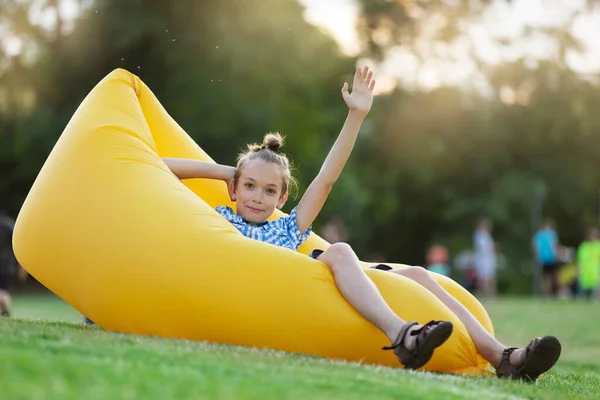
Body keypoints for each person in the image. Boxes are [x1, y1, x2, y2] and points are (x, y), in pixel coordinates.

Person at [163, 66, 561, 381]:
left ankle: (504, 357)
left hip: (315, 288)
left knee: (420, 274)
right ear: (234, 189)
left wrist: (356, 115)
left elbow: (326, 178)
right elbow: (156, 171)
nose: (257, 197)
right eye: (249, 186)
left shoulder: (288, 227)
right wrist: (228, 173)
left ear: (282, 199)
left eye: (269, 191)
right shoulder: (220, 219)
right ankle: (401, 335)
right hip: (272, 295)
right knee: (338, 250)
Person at [0, 212, 28, 317]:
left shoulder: (7, 225)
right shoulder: (9, 224)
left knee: (2, 293)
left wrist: (22, 267)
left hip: (6, 268)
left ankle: (6, 315)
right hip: (8, 268)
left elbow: (20, 244)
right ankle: (6, 315)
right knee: (3, 293)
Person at [532, 218, 560, 296]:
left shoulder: (540, 234)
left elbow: (535, 247)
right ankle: (547, 293)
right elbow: (555, 246)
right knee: (548, 277)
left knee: (546, 277)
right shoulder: (550, 234)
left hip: (546, 258)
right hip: (548, 258)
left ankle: (548, 293)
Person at [473, 218, 497, 297]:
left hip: (488, 259)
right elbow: (483, 248)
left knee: (489, 278)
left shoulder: (487, 236)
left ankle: (489, 293)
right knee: (483, 278)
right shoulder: (479, 236)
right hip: (483, 260)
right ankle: (484, 293)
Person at [576, 227, 600, 299]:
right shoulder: (583, 247)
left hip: (596, 278)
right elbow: (579, 261)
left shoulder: (598, 246)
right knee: (583, 298)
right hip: (584, 277)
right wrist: (578, 271)